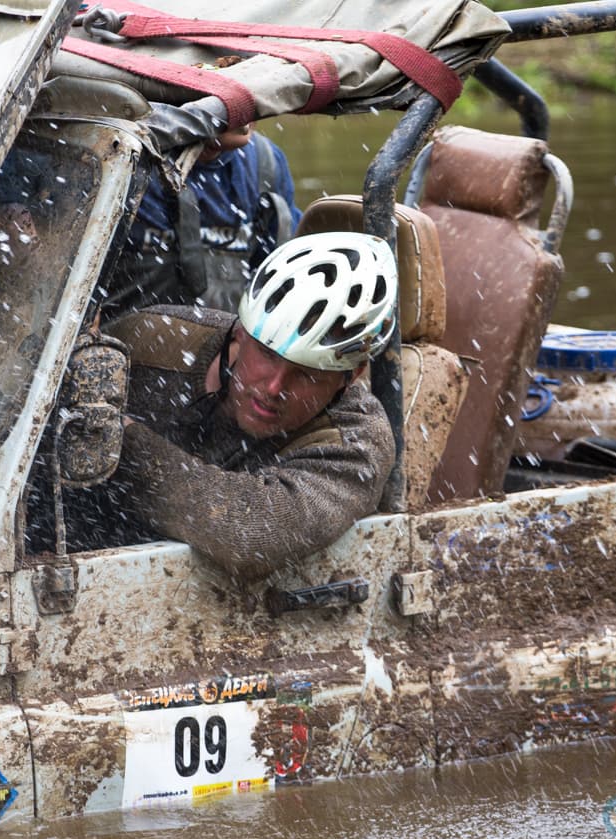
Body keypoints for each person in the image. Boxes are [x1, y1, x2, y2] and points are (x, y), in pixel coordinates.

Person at [53, 231, 397, 583]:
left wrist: (113, 440)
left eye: (307, 375)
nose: (274, 387)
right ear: (240, 332)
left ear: (350, 377)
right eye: (267, 354)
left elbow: (250, 534)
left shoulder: (356, 445)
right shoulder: (149, 344)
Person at [98, 123, 302, 321]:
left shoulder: (266, 162)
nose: (247, 102)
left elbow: (281, 286)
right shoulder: (125, 159)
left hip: (232, 348)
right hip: (129, 347)